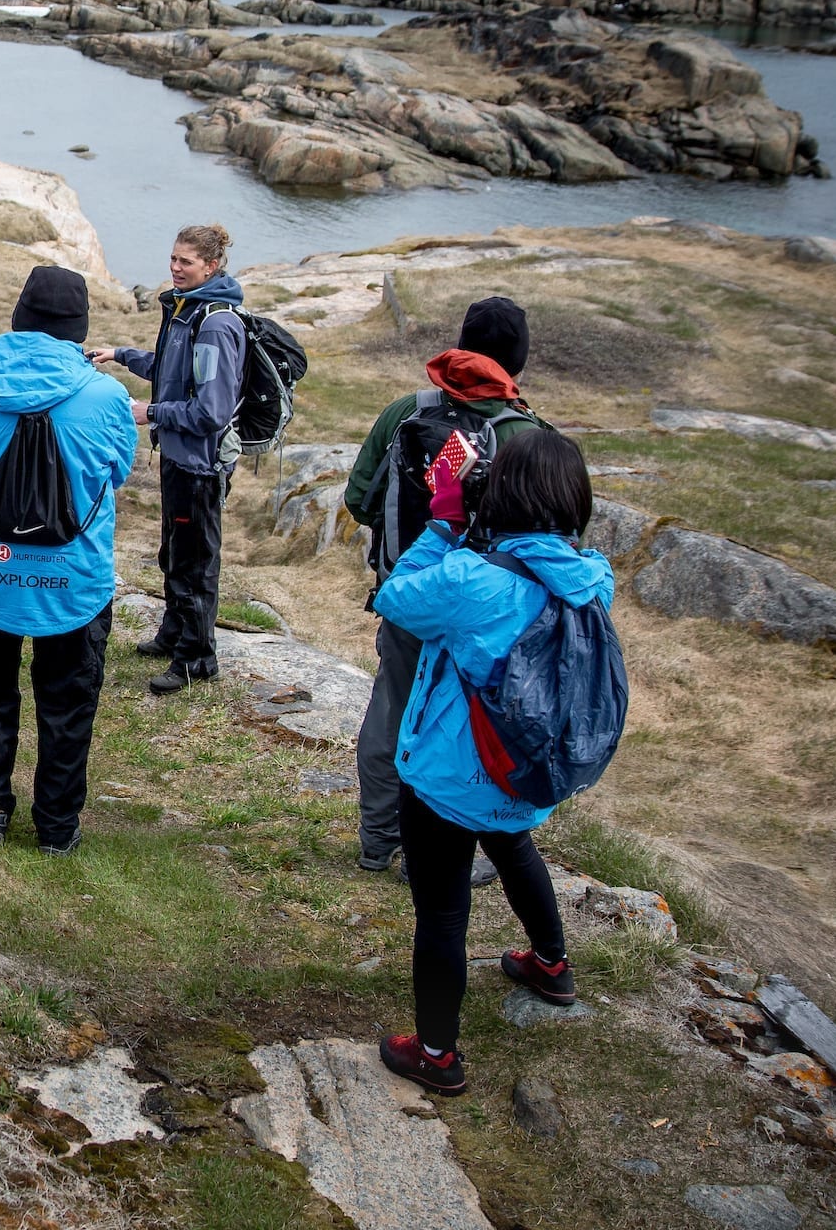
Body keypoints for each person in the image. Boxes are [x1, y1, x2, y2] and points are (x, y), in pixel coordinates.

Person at [372, 426, 607, 1096]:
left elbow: (396, 600)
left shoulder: (474, 581)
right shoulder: (593, 580)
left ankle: (436, 1053)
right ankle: (551, 965)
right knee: (514, 846)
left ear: (499, 493)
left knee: (442, 914)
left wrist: (446, 522)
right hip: (529, 770)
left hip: (451, 777)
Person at [342, 297, 547, 874]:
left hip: (409, 597)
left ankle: (380, 838)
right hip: (484, 612)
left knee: (392, 712)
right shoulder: (524, 435)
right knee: (466, 726)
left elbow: (360, 499)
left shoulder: (407, 411)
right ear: (517, 362)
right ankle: (440, 853)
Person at [0, 266, 140, 856]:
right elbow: (117, 473)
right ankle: (57, 827)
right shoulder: (107, 395)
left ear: (19, 318)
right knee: (67, 705)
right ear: (77, 328)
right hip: (75, 576)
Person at [88, 223, 244, 695]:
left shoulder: (214, 324)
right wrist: (119, 355)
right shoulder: (184, 312)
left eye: (186, 262)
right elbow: (165, 367)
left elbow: (211, 411)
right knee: (174, 553)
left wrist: (149, 412)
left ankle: (197, 659)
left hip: (199, 464)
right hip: (178, 458)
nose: (175, 268)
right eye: (173, 258)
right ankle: (174, 634)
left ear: (211, 266)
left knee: (195, 562)